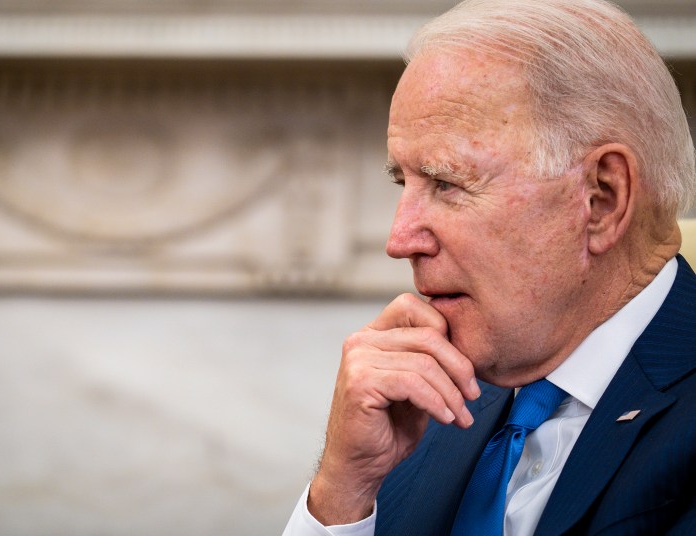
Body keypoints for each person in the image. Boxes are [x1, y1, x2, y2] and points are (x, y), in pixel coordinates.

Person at [283, 0, 696, 534]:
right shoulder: (428, 408)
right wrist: (343, 496)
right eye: (402, 184)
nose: (399, 239)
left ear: (601, 199)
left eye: (446, 184)